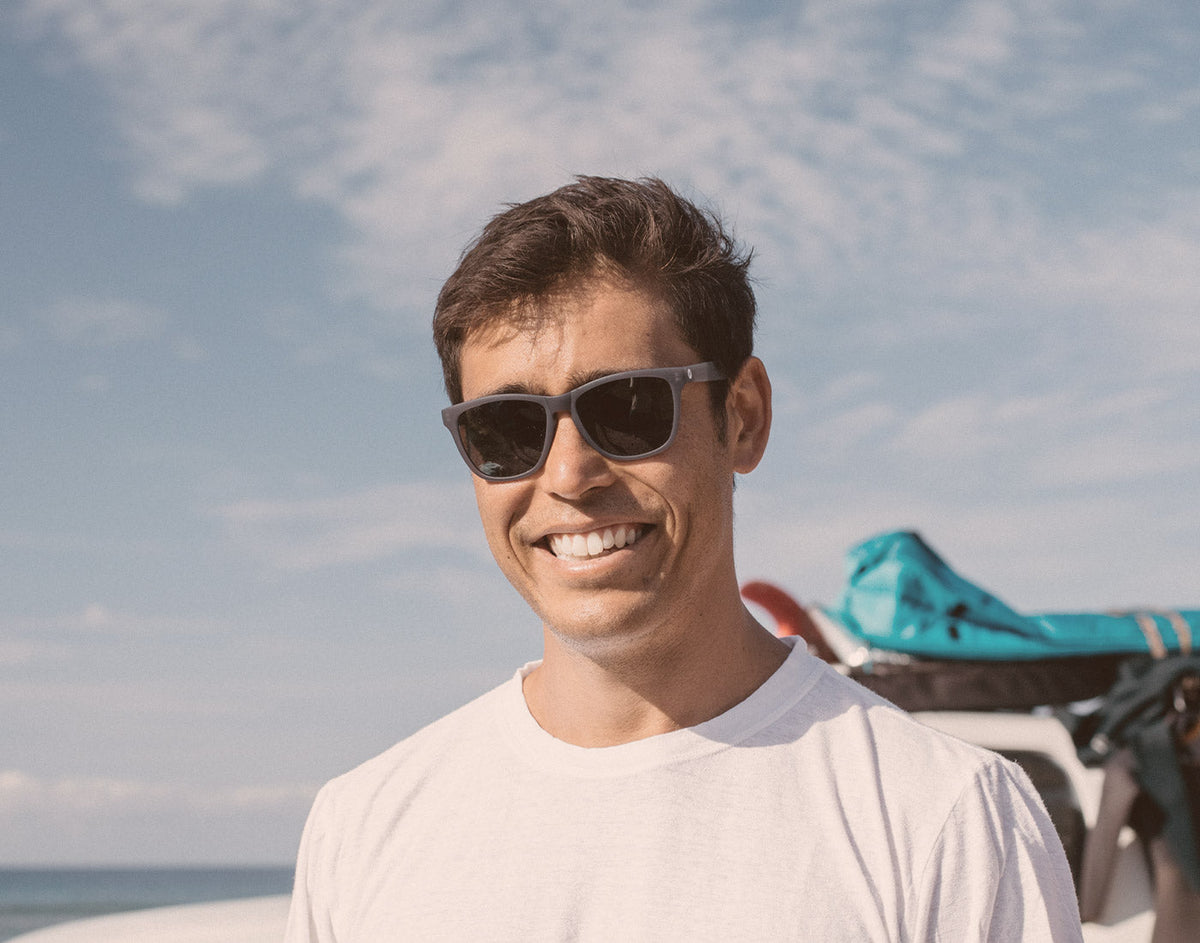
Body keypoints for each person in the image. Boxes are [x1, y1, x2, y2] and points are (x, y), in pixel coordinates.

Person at [285, 176, 1084, 941]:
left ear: (743, 418)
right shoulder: (362, 830)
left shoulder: (948, 820)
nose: (568, 475)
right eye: (507, 429)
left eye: (627, 407)